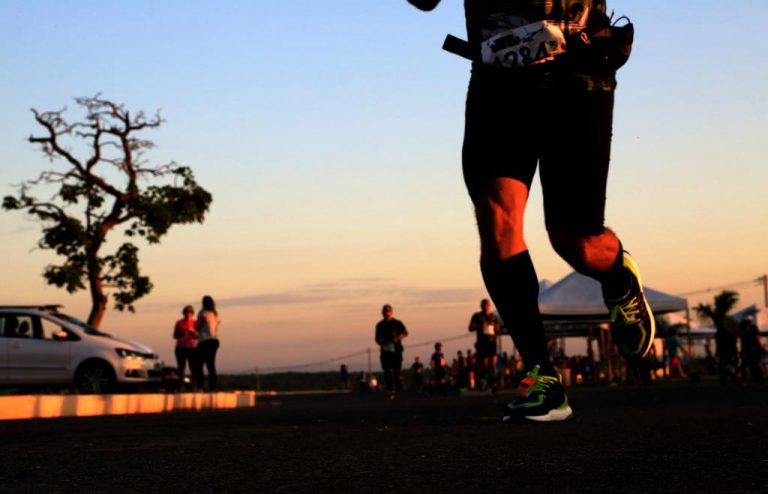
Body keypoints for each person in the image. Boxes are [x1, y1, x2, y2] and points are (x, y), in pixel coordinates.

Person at [405, 0, 655, 422]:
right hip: (499, 79)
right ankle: (543, 377)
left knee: (575, 239)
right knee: (498, 220)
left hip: (579, 73)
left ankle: (616, 274)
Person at [374, 304, 409, 399]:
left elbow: (406, 332)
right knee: (387, 371)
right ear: (382, 313)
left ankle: (399, 386)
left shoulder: (397, 323)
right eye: (385, 312)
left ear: (392, 312)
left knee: (396, 371)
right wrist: (382, 343)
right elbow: (377, 339)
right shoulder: (380, 325)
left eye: (388, 312)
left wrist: (397, 338)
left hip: (396, 351)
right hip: (386, 351)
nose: (387, 313)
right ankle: (390, 390)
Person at [468, 299, 502, 390]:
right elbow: (470, 328)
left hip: (492, 343)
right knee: (483, 364)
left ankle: (494, 384)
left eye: (488, 305)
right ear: (481, 306)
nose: (486, 307)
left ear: (490, 306)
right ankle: (482, 382)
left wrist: (496, 327)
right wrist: (480, 326)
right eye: (484, 305)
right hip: (482, 343)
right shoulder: (477, 316)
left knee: (493, 364)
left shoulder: (493, 317)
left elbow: (498, 328)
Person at [195, 295, 221, 391]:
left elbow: (197, 326)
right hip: (214, 340)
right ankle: (212, 387)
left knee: (199, 365)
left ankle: (200, 386)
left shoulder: (203, 313)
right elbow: (218, 323)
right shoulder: (215, 313)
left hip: (204, 341)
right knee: (211, 365)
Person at [173, 305, 198, 390]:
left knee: (193, 368)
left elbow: (198, 336)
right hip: (181, 347)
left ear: (192, 314)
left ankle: (194, 386)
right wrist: (182, 333)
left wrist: (193, 331)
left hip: (192, 348)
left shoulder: (195, 323)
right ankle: (181, 386)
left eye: (190, 312)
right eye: (187, 312)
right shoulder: (179, 322)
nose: (188, 314)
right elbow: (175, 335)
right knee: (181, 368)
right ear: (184, 313)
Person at [740, 315, 764, 385]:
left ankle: (757, 380)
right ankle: (757, 380)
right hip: (751, 351)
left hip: (751, 351)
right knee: (751, 366)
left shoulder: (748, 333)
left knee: (751, 365)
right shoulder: (747, 333)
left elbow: (745, 343)